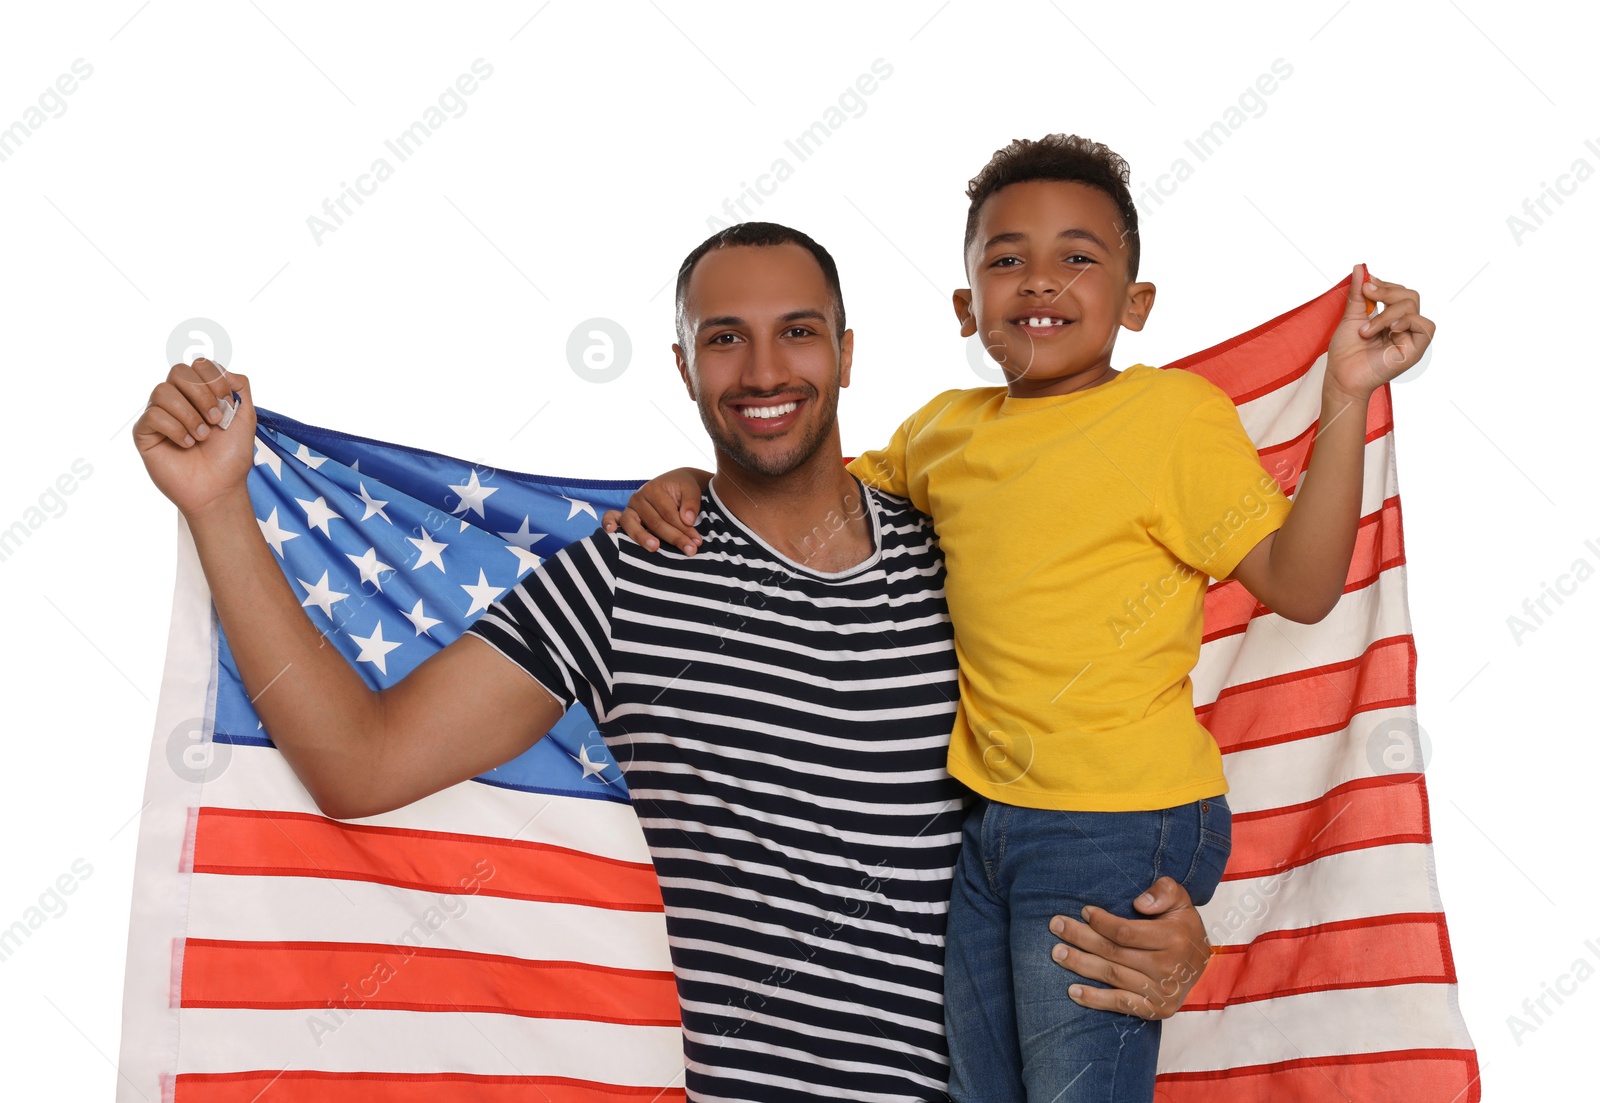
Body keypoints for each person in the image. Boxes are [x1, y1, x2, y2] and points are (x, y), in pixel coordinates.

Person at [131, 220, 1214, 1102]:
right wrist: (220, 505)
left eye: (796, 331)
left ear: (846, 349)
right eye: (724, 338)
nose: (764, 369)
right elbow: (358, 764)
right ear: (685, 365)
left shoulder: (967, 547)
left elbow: (1108, 754)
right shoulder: (627, 573)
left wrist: (1165, 931)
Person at [607, 136, 1436, 1102]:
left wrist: (1343, 395)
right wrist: (693, 481)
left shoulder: (1170, 417)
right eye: (1006, 259)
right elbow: (802, 501)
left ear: (1137, 303)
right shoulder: (945, 433)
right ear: (967, 305)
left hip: (1116, 814)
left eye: (1078, 257)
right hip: (990, 823)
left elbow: (1300, 585)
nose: (1039, 280)